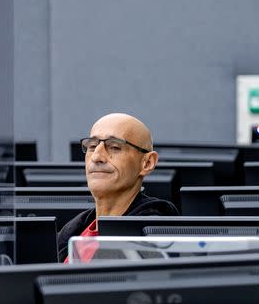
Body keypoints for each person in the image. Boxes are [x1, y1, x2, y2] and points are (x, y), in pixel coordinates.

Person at [58, 112, 179, 261]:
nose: (96, 157)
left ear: (147, 163)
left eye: (114, 147)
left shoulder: (154, 238)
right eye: (92, 146)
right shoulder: (72, 231)